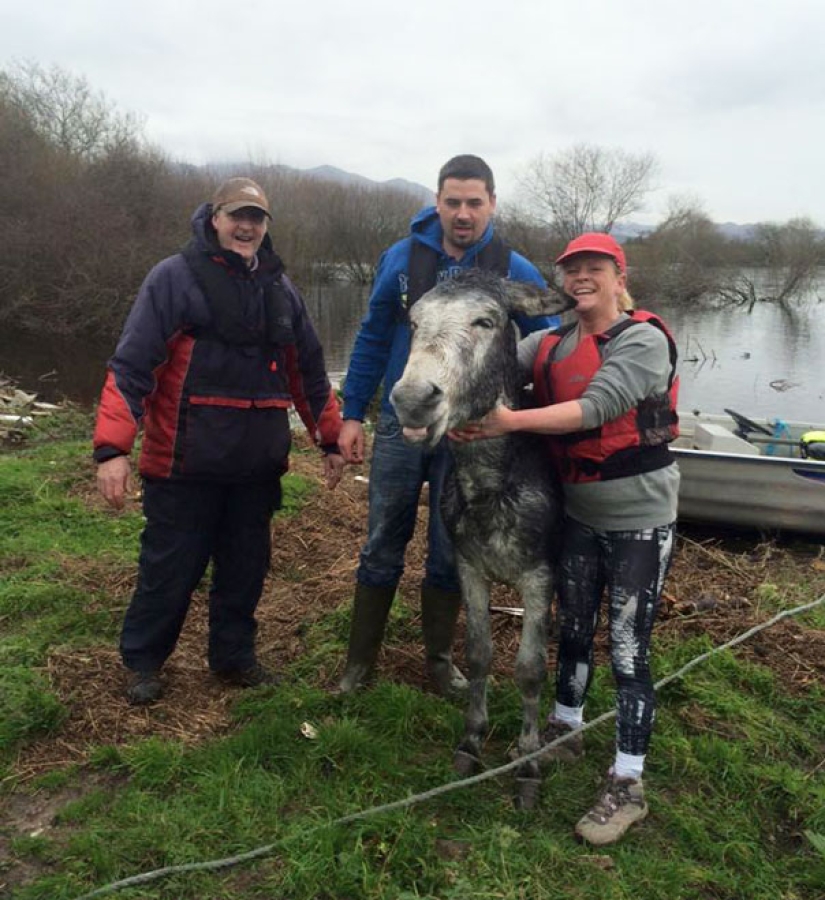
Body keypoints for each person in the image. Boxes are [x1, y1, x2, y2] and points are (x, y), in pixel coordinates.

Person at [452, 232, 679, 844]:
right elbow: (494, 365)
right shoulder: (549, 341)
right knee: (573, 632)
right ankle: (564, 731)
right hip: (576, 511)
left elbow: (596, 408)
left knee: (628, 651)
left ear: (617, 273)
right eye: (572, 269)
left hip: (638, 515)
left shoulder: (643, 339)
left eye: (594, 269)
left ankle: (628, 783)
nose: (582, 277)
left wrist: (508, 421)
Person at [93, 176, 345, 705]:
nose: (246, 226)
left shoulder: (282, 290)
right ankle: (143, 661)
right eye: (237, 216)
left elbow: (311, 374)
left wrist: (329, 439)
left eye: (256, 218)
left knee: (245, 571)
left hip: (255, 468)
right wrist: (114, 449)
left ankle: (233, 660)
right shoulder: (173, 279)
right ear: (215, 219)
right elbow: (132, 366)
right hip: (183, 465)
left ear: (265, 227)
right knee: (169, 570)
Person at [336, 154, 560, 698]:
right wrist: (350, 414)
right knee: (383, 539)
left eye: (474, 203)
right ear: (437, 202)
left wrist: (540, 418)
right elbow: (369, 338)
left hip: (476, 437)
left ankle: (439, 663)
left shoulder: (514, 269)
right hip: (401, 424)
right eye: (453, 202)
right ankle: (359, 664)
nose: (463, 213)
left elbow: (549, 343)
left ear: (492, 204)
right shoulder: (402, 259)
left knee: (449, 548)